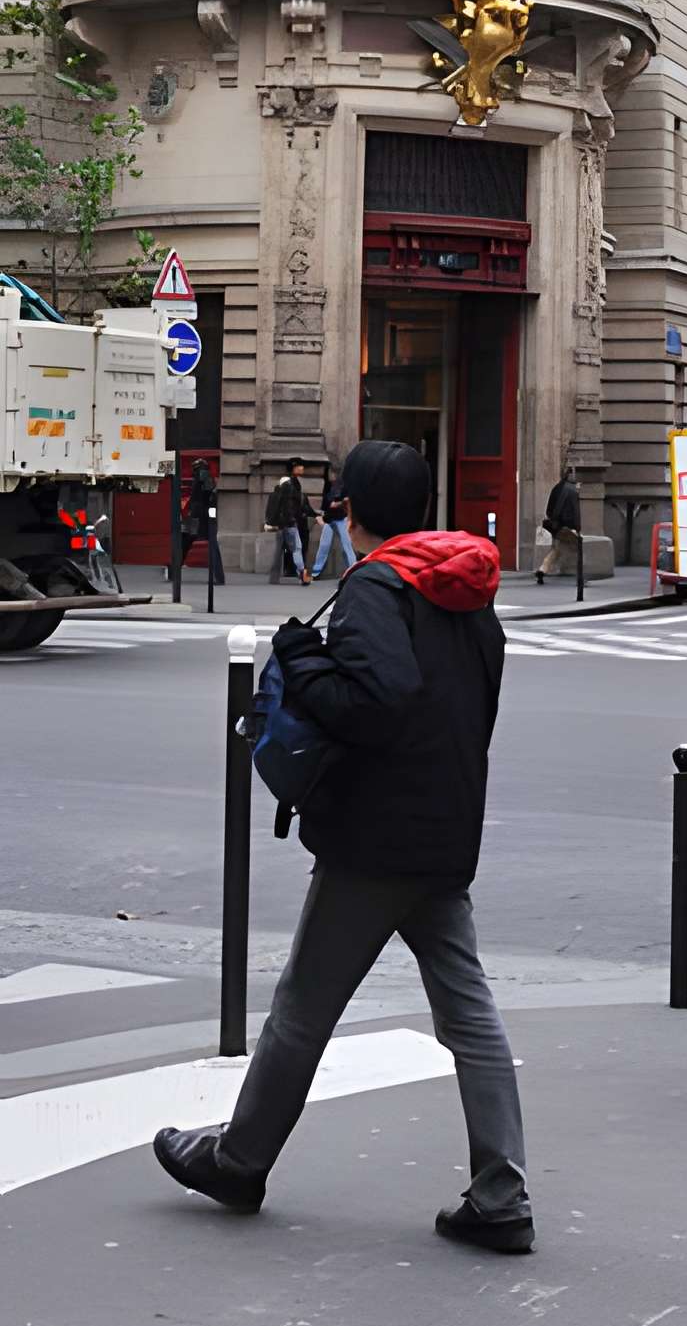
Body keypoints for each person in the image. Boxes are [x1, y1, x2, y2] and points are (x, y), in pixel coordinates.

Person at [153, 438, 535, 1253]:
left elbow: (377, 705)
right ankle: (501, 1193)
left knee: (303, 1007)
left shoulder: (375, 586)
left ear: (353, 509)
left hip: (375, 836)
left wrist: (299, 656)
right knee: (469, 1014)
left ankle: (240, 1160)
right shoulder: (467, 586)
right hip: (445, 828)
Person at [265, 459, 311, 585]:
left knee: (279, 550)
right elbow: (290, 507)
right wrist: (293, 519)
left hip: (280, 524)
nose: (302, 468)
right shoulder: (291, 487)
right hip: (290, 523)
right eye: (300, 466)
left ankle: (273, 578)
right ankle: (302, 574)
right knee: (297, 548)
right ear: (293, 468)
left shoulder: (279, 488)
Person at [534, 467, 582, 586]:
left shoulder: (557, 487)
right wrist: (577, 527)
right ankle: (582, 576)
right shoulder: (573, 491)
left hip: (556, 525)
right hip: (568, 527)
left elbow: (549, 508)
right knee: (580, 549)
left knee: (556, 549)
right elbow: (576, 512)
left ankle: (542, 569)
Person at [181, 457, 225, 585]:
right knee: (209, 544)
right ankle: (218, 576)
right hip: (203, 515)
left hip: (199, 516)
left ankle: (174, 570)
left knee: (185, 540)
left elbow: (206, 494)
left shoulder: (203, 476)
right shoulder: (205, 476)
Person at [309, 466, 355, 582]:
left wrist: (337, 503)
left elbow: (347, 500)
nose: (330, 476)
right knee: (324, 545)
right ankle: (316, 571)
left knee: (347, 546)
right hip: (330, 518)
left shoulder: (344, 485)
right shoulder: (328, 485)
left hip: (340, 517)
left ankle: (353, 570)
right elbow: (326, 503)